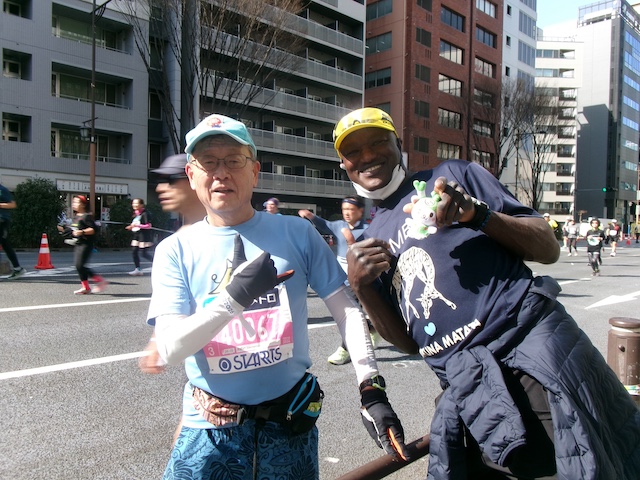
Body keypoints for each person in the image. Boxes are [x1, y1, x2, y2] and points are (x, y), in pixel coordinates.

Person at [333, 107, 640, 479]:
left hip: (528, 360)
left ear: (399, 143)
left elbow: (548, 248)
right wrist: (361, 286)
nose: (367, 155)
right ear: (344, 165)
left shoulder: (453, 177)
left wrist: (477, 214)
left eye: (377, 142)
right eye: (353, 151)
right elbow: (408, 343)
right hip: (467, 389)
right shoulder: (370, 238)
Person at [146, 114, 408, 479]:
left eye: (233, 161)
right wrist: (233, 299)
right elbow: (170, 348)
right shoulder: (174, 250)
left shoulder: (297, 232)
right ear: (192, 175)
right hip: (210, 429)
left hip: (289, 426)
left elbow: (346, 310)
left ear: (254, 172)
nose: (221, 173)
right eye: (209, 162)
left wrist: (370, 387)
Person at [139, 153, 206, 376]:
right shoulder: (173, 246)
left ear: (193, 177)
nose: (160, 188)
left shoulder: (238, 230)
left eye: (170, 180)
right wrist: (157, 340)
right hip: (204, 377)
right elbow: (173, 307)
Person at [298, 197, 382, 365]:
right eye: (344, 209)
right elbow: (324, 224)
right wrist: (310, 215)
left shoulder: (368, 229)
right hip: (342, 279)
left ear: (360, 211)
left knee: (351, 314)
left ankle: (346, 349)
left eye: (351, 209)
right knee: (352, 313)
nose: (347, 213)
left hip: (362, 279)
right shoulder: (339, 226)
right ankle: (373, 328)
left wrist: (353, 244)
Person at [57, 195, 107, 294]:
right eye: (73, 202)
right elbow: (74, 230)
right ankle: (85, 287)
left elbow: (93, 229)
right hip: (78, 243)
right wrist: (64, 230)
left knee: (80, 265)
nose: (74, 204)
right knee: (78, 266)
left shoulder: (86, 216)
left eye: (76, 202)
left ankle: (100, 281)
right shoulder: (76, 217)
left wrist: (82, 232)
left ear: (83, 204)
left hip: (86, 244)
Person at [0, 182, 26, 279]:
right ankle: (18, 268)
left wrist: (0, 205)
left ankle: (18, 269)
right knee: (6, 245)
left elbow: (13, 204)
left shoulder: (2, 190)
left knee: (5, 244)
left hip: (2, 220)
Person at [126, 198, 154, 275]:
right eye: (133, 203)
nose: (134, 205)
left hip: (144, 236)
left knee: (144, 254)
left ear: (141, 205)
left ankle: (159, 264)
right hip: (137, 235)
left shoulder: (145, 214)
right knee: (134, 251)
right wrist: (131, 227)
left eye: (136, 203)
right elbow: (136, 224)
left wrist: (137, 225)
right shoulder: (136, 214)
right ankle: (137, 269)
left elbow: (148, 225)